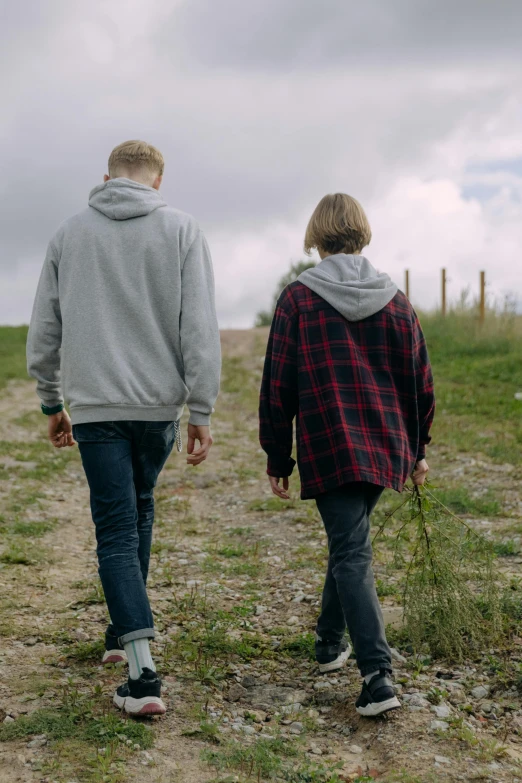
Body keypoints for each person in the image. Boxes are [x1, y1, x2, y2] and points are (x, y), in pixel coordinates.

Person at [27, 140, 221, 715]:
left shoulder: (69, 233)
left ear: (107, 177)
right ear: (158, 182)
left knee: (117, 524)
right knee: (136, 508)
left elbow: (44, 330)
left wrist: (49, 401)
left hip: (95, 407)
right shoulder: (183, 230)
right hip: (158, 408)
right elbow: (200, 327)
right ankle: (122, 632)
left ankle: (142, 676)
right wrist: (201, 408)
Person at [259, 193, 434, 717]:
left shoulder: (298, 300)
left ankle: (377, 676)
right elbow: (420, 384)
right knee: (350, 543)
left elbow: (277, 385)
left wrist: (278, 455)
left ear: (316, 235)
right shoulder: (397, 301)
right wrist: (417, 449)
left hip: (330, 446)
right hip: (384, 447)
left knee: (352, 551)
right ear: (363, 232)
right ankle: (327, 643)